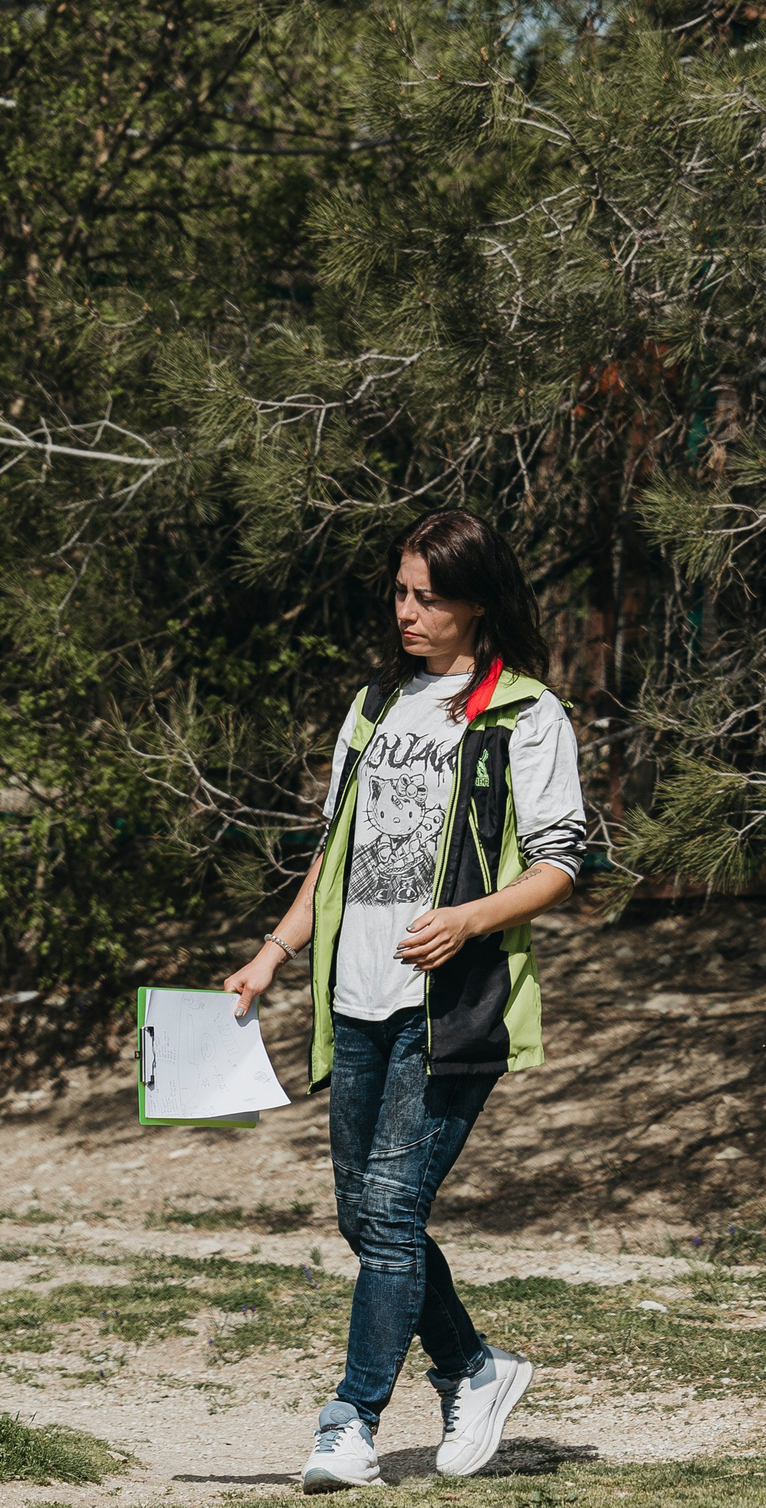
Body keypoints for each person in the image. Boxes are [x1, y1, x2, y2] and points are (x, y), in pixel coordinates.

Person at [225, 509, 586, 1492]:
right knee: (364, 1218)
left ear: (477, 601)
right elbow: (332, 854)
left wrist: (469, 919)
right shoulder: (371, 707)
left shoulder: (522, 712)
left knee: (388, 1212)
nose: (408, 613)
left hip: (453, 1007)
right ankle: (474, 1366)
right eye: (399, 593)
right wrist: (271, 953)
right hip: (354, 998)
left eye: (429, 597)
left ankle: (349, 1421)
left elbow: (560, 864)